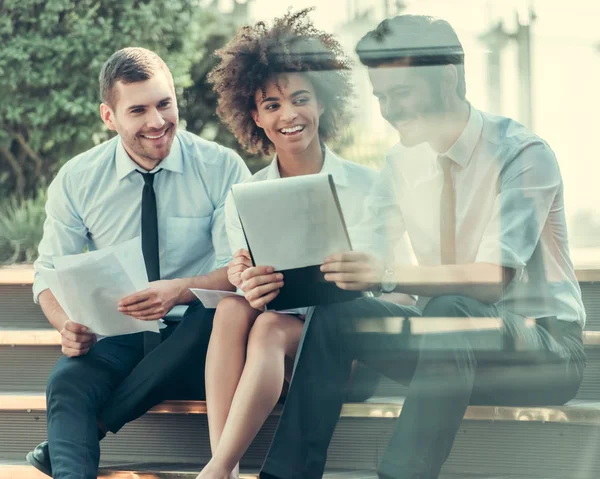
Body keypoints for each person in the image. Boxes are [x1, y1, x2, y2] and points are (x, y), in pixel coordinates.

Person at [254, 15, 587, 479]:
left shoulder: (522, 153)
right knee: (337, 315)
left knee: (454, 306)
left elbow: (493, 278)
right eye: (381, 98)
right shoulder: (400, 161)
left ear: (447, 77)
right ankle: (285, 475)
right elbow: (369, 256)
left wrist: (387, 274)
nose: (389, 111)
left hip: (541, 354)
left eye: (401, 93)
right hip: (445, 352)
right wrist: (294, 270)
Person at [197, 10, 416, 479]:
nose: (288, 114)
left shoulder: (371, 186)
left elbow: (405, 292)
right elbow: (246, 290)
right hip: (276, 349)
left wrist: (367, 276)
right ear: (255, 116)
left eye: (301, 99)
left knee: (270, 329)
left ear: (322, 105)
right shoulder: (245, 199)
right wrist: (246, 282)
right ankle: (227, 471)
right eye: (271, 105)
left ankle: (215, 470)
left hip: (348, 348)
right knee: (235, 310)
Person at [25, 47, 251, 479]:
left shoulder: (221, 167)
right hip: (122, 336)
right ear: (109, 117)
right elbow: (49, 271)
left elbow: (237, 270)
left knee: (216, 309)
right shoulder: (77, 180)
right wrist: (65, 325)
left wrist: (178, 290)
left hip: (200, 341)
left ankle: (95, 424)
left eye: (165, 104)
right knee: (67, 381)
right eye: (138, 110)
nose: (157, 121)